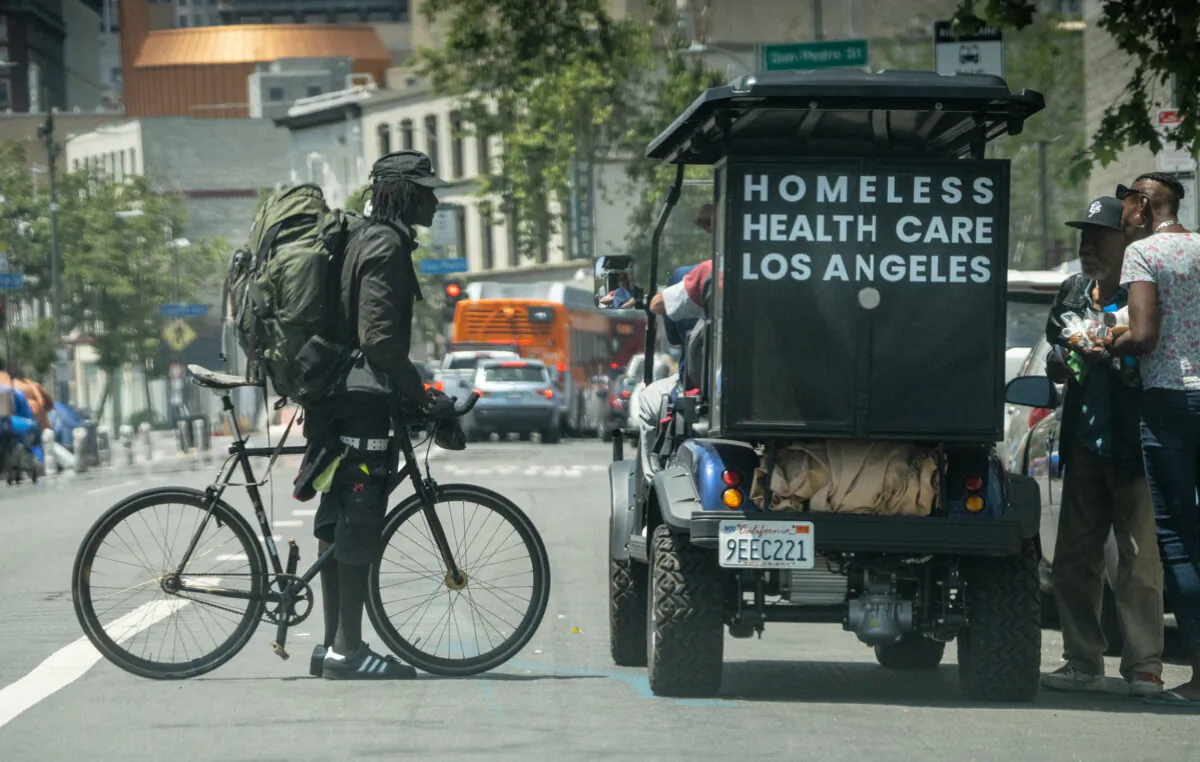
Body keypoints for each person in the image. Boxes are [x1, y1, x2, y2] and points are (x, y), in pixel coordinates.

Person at [303, 150, 456, 680]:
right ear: (402, 193)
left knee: (334, 519)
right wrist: (421, 396)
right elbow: (381, 343)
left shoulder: (359, 237)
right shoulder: (386, 245)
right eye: (426, 190)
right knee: (358, 523)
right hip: (361, 408)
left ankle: (330, 646)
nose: (434, 199)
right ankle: (349, 651)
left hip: (333, 400)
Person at [1039, 196, 1164, 697]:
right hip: (1085, 445)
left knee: (1139, 562)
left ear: (1126, 242)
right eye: (1083, 237)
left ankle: (1145, 667)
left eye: (1099, 237)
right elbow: (1058, 352)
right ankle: (1083, 662)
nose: (1087, 246)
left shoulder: (1143, 296)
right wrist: (1062, 357)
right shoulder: (1073, 291)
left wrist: (1114, 351)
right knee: (1073, 559)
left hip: (1135, 447)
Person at [1108, 172, 1200, 706]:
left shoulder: (1144, 255)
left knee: (1179, 543)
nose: (1123, 216)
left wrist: (1104, 348)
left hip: (1168, 402)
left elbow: (1143, 336)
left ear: (1143, 203)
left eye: (1126, 204)